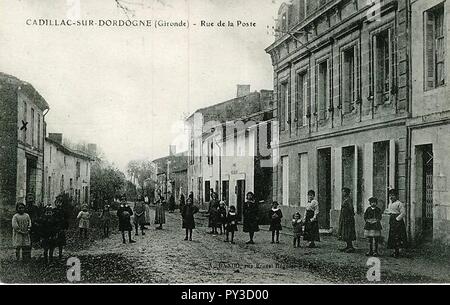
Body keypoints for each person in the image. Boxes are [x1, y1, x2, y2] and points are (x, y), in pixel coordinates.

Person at [386, 189, 407, 258]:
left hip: (398, 222)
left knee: (397, 236)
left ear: (396, 196)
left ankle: (397, 252)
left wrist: (397, 219)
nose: (391, 197)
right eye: (390, 195)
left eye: (393, 195)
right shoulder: (390, 203)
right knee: (393, 236)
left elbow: (403, 213)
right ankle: (395, 251)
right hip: (392, 220)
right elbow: (390, 211)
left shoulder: (399, 203)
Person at [338, 187, 356, 253]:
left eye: (344, 192)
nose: (342, 193)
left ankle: (350, 247)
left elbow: (351, 209)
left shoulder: (348, 200)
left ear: (347, 192)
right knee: (345, 232)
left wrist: (348, 217)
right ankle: (348, 246)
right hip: (344, 218)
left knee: (348, 232)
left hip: (348, 218)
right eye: (342, 192)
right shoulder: (345, 199)